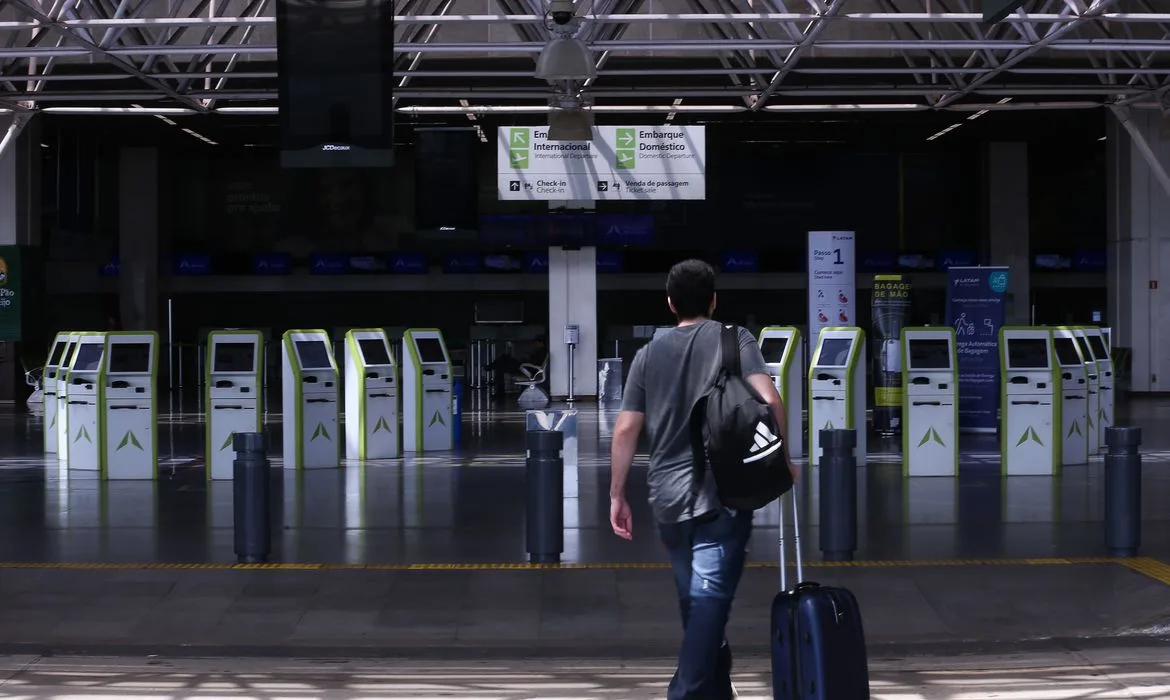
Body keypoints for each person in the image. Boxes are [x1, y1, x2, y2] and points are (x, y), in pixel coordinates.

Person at [608, 259, 798, 700]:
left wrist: (618, 494)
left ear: (671, 303)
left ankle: (716, 689)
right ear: (714, 300)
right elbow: (770, 398)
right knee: (708, 602)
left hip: (667, 500)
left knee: (695, 604)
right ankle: (686, 691)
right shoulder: (736, 339)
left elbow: (625, 429)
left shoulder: (647, 354)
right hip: (724, 492)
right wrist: (784, 460)